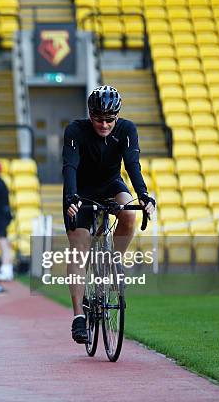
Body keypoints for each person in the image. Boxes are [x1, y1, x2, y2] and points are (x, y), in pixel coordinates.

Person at [62, 85, 156, 344]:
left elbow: (132, 165)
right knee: (79, 247)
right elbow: (69, 166)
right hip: (80, 190)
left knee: (128, 213)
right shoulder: (75, 130)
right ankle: (79, 316)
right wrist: (71, 197)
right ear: (89, 114)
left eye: (109, 119)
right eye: (98, 118)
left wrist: (145, 195)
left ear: (117, 116)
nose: (104, 124)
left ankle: (114, 261)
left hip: (111, 184)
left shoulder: (127, 129)